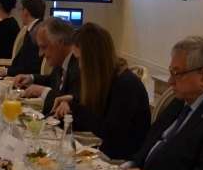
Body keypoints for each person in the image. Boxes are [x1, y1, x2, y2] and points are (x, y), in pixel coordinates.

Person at [121, 36, 203, 170]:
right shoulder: (179, 102)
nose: (170, 81)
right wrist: (128, 165)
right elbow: (148, 145)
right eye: (171, 72)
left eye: (177, 73)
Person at [52, 23, 149, 160]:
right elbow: (97, 115)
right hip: (108, 151)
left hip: (123, 160)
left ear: (94, 57)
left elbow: (111, 132)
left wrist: (75, 108)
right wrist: (74, 100)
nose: (80, 65)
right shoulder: (109, 78)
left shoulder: (126, 85)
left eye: (80, 59)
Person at [12, 17, 81, 113]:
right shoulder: (61, 60)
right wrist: (30, 78)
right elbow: (51, 80)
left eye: (43, 47)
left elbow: (74, 104)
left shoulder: (79, 66)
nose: (40, 54)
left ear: (60, 42)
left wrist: (42, 91)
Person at [0, 0, 47, 78]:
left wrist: (6, 71)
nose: (20, 13)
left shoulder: (38, 32)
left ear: (25, 11)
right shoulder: (35, 28)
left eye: (20, 9)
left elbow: (32, 69)